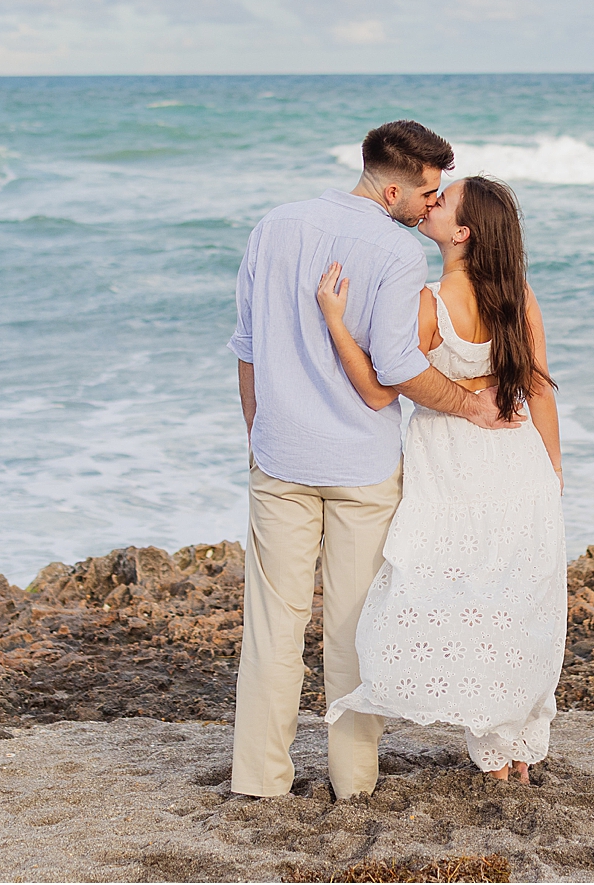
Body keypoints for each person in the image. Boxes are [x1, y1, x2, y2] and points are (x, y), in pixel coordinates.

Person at [228, 120, 521, 802]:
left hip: (280, 457)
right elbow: (396, 368)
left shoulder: (274, 226)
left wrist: (256, 431)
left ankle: (260, 783)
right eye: (428, 193)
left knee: (271, 627)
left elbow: (247, 347)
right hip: (361, 466)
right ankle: (354, 782)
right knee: (355, 630)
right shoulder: (394, 252)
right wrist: (469, 405)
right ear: (393, 190)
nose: (431, 205)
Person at [315, 174, 565, 783]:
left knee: (463, 602)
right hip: (519, 462)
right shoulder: (518, 296)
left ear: (462, 233)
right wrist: (553, 473)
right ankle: (514, 751)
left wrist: (336, 323)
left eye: (444, 200)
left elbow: (380, 390)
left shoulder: (429, 303)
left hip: (453, 470)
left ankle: (495, 747)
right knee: (514, 606)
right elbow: (539, 390)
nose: (432, 201)